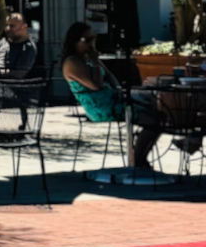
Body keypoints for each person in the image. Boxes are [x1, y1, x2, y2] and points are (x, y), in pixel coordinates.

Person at [60, 21, 164, 173]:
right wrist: (95, 62)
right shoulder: (72, 62)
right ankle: (138, 159)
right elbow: (96, 85)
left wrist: (118, 90)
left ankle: (140, 156)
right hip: (100, 107)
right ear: (74, 41)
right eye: (86, 40)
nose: (91, 44)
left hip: (113, 98)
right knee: (152, 119)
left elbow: (109, 76)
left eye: (93, 39)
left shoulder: (88, 57)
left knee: (156, 106)